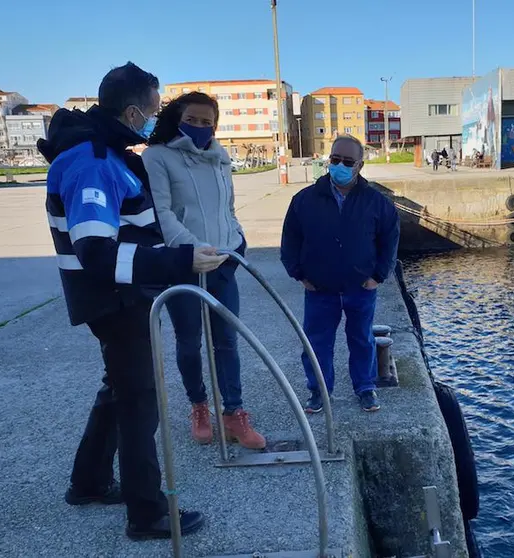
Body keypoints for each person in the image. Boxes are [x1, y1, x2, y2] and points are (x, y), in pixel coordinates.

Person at [37, 62, 224, 541]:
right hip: (115, 300)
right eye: (154, 111)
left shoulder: (108, 153)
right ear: (134, 109)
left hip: (121, 296)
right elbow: (96, 251)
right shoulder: (94, 161)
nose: (154, 119)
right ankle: (148, 514)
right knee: (141, 402)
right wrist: (177, 262)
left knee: (117, 389)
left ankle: (90, 482)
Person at [142, 92, 266, 450]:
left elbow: (228, 209)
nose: (199, 127)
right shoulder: (158, 157)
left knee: (227, 340)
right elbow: (162, 212)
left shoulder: (221, 157)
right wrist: (192, 250)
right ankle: (198, 406)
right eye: (192, 120)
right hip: (184, 264)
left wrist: (236, 240)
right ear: (176, 120)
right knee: (189, 342)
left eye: (206, 121)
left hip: (224, 263)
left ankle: (234, 412)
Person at [281, 135, 400, 413]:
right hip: (320, 289)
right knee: (317, 342)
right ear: (328, 160)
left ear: (359, 165)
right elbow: (290, 241)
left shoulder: (376, 202)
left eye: (348, 161)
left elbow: (390, 240)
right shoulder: (304, 200)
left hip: (361, 287)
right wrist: (298, 274)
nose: (340, 166)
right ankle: (319, 391)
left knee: (361, 339)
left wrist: (379, 276)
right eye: (335, 160)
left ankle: (365, 388)